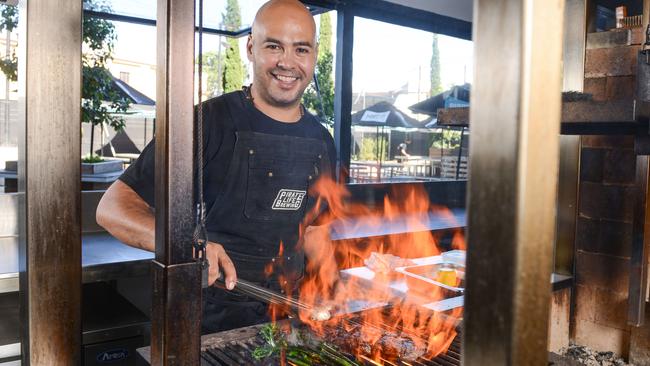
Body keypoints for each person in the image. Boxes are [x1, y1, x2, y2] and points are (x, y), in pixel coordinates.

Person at [96, 0, 337, 333]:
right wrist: (188, 245)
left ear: (314, 54)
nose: (287, 62)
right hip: (212, 317)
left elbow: (315, 230)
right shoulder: (207, 122)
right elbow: (112, 208)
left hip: (288, 315)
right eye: (273, 46)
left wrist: (331, 292)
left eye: (301, 49)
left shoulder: (322, 139)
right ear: (251, 48)